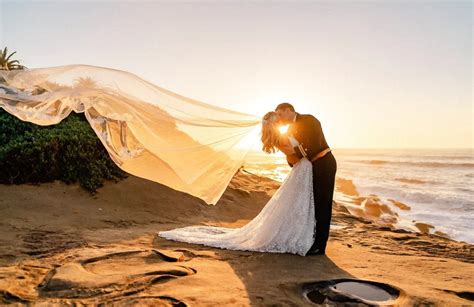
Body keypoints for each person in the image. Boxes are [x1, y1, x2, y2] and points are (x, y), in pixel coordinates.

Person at [275, 102, 337, 255]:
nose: (279, 118)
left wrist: (294, 152)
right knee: (311, 204)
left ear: (289, 110)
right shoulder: (288, 130)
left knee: (323, 204)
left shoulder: (309, 120)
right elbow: (293, 159)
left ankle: (320, 245)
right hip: (309, 169)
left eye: (280, 114)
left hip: (324, 164)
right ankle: (310, 239)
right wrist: (286, 153)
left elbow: (314, 146)